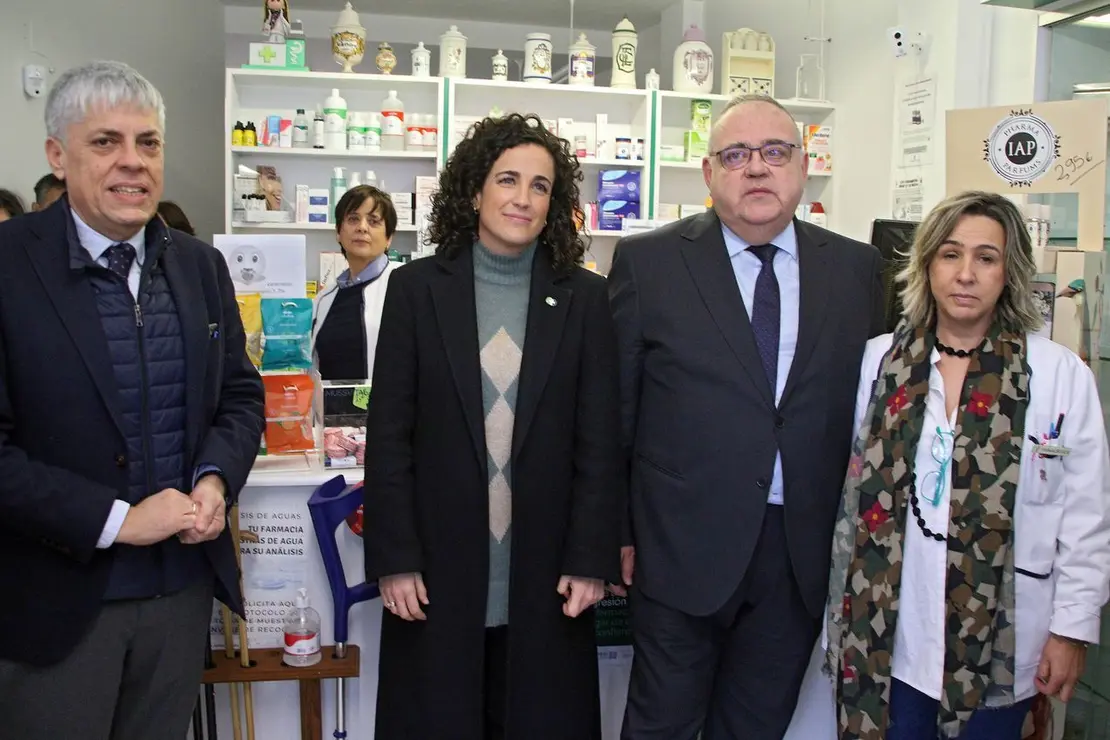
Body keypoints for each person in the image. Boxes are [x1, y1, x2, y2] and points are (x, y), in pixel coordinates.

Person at [0, 61, 265, 739]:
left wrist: (214, 476)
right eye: (106, 142)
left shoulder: (199, 266)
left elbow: (238, 396)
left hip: (178, 597)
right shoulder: (8, 265)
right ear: (57, 155)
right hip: (58, 608)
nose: (133, 163)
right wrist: (118, 520)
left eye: (148, 143)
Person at [609, 92, 886, 739]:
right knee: (662, 727)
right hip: (678, 548)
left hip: (799, 556)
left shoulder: (856, 269)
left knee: (756, 728)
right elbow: (615, 414)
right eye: (736, 155)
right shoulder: (649, 264)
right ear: (709, 174)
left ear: (803, 166)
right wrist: (615, 532)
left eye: (774, 152)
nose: (756, 168)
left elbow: (870, 417)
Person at [364, 112, 622, 740]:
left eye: (541, 186)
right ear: (475, 189)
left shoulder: (584, 299)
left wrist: (591, 558)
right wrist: (395, 557)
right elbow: (390, 436)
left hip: (546, 574)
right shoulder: (416, 289)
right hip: (438, 571)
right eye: (508, 179)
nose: (523, 198)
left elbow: (599, 440)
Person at [820, 190, 1110, 740]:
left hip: (1000, 640)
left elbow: (1087, 516)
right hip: (887, 638)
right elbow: (850, 497)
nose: (966, 274)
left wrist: (1071, 631)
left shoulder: (1057, 374)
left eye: (986, 257)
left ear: (1010, 272)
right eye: (951, 254)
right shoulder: (880, 362)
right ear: (927, 264)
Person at [310, 184, 399, 381]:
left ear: (389, 239)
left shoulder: (405, 285)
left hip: (389, 409)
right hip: (331, 410)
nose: (362, 227)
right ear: (338, 233)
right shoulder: (325, 298)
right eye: (353, 219)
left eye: (374, 221)